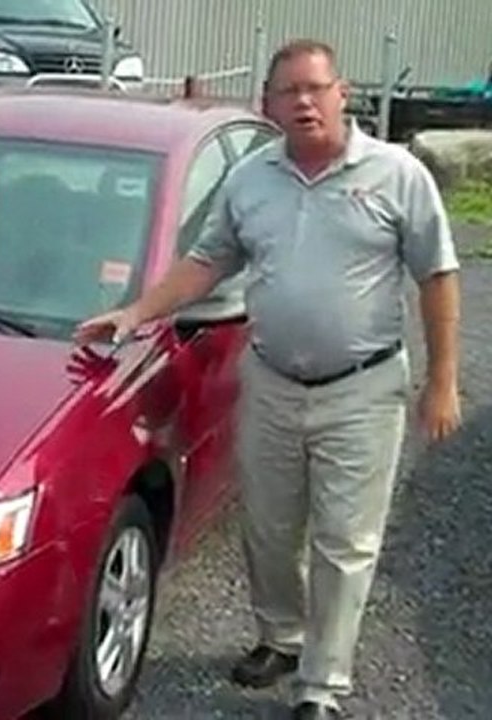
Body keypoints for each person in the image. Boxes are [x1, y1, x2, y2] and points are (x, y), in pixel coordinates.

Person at [74, 39, 462, 720]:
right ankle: (280, 637)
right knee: (269, 527)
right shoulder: (252, 179)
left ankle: (322, 685)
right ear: (269, 105)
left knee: (344, 542)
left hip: (362, 389)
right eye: (290, 92)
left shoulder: (397, 175)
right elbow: (208, 261)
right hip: (274, 381)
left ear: (344, 94)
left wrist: (443, 381)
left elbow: (438, 275)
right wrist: (136, 312)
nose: (305, 102)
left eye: (317, 88)